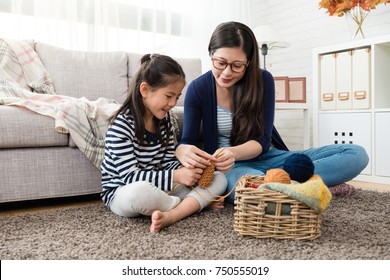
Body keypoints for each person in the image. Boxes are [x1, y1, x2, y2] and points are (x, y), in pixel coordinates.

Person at [175, 21, 369, 203]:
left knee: (356, 154)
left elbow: (263, 140)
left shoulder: (263, 80)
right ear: (211, 55)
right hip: (231, 169)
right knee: (256, 189)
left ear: (249, 63)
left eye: (237, 66)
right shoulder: (198, 88)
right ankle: (304, 184)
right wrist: (182, 150)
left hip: (272, 158)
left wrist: (233, 152)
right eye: (220, 63)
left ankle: (288, 185)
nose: (226, 72)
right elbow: (188, 142)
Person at [101, 54, 227, 233]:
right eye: (169, 96)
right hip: (122, 192)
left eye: (177, 97)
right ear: (145, 90)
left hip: (162, 188)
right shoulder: (121, 126)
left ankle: (174, 211)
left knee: (219, 178)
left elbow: (168, 162)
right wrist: (177, 176)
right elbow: (129, 177)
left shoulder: (165, 121)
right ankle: (188, 205)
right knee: (140, 192)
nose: (173, 103)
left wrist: (190, 171)